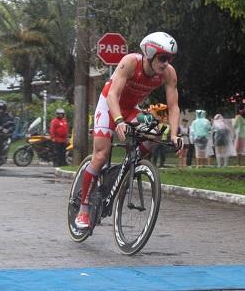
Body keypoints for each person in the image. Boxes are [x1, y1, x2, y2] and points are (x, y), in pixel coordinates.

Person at [75, 32, 182, 229]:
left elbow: (173, 106)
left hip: (130, 109)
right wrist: (118, 121)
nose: (166, 63)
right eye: (163, 57)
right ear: (149, 53)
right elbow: (112, 95)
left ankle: (127, 167)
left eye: (170, 58)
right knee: (101, 154)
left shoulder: (168, 73)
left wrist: (174, 135)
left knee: (155, 134)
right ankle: (83, 208)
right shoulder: (130, 62)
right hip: (109, 105)